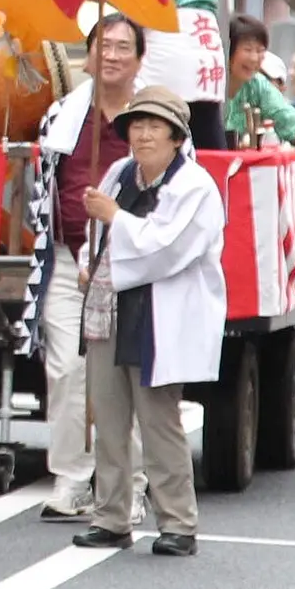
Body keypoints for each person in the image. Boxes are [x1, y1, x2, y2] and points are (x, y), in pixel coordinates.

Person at [71, 87, 221, 556]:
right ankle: (111, 515)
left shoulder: (194, 186)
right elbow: (96, 232)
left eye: (155, 126)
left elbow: (167, 249)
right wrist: (86, 258)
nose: (143, 134)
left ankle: (178, 521)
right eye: (136, 125)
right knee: (109, 417)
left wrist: (116, 218)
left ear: (177, 136)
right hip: (111, 306)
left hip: (160, 313)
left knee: (159, 420)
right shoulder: (119, 173)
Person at [27, 12, 147, 523]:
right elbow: (45, 185)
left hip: (133, 261)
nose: (112, 55)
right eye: (103, 44)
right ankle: (72, 477)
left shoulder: (155, 116)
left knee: (126, 375)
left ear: (140, 59)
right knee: (66, 371)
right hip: (66, 255)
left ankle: (130, 484)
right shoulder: (63, 113)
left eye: (124, 46)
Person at [219, 16, 295, 149]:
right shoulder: (212, 79)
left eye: (260, 51)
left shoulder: (257, 84)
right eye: (248, 49)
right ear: (228, 49)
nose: (254, 58)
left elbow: (286, 117)